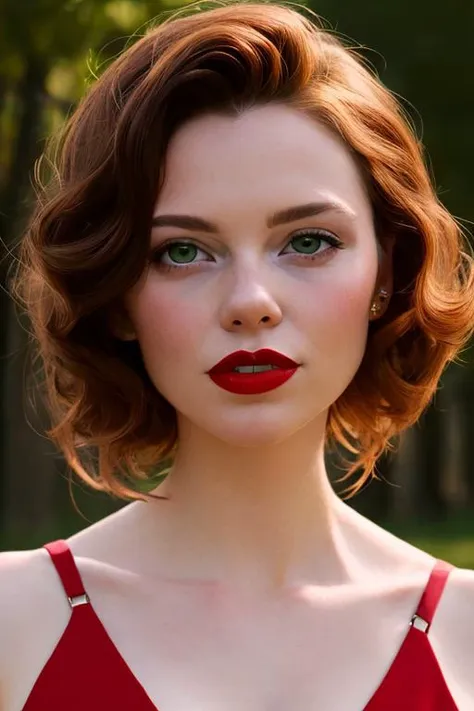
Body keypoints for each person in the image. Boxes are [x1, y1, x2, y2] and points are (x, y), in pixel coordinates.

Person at [1, 0, 474, 708]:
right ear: (118, 293)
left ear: (387, 269)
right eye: (183, 251)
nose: (250, 300)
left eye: (308, 241)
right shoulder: (15, 623)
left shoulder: (464, 638)